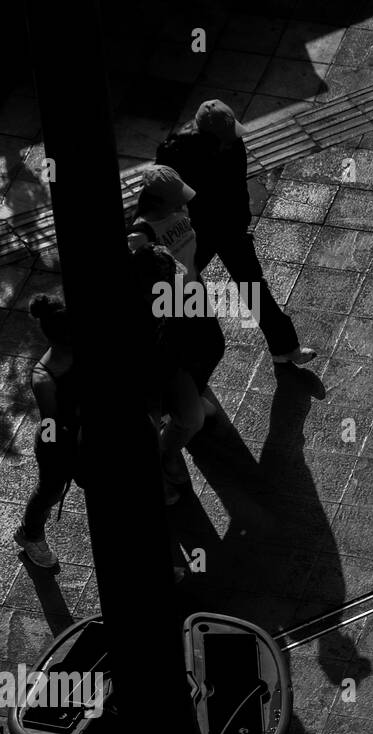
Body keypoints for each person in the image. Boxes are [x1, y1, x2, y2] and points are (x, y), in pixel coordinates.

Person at [156, 99, 315, 366]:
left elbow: (237, 186)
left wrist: (240, 220)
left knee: (252, 284)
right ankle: (168, 353)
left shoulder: (230, 143)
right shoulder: (176, 153)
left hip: (228, 226)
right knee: (179, 288)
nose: (233, 140)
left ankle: (285, 348)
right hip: (195, 231)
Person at [129, 177, 227, 505]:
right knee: (175, 407)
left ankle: (186, 406)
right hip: (162, 334)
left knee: (213, 345)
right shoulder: (140, 236)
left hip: (186, 307)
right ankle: (161, 460)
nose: (182, 203)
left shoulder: (179, 212)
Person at [13, 296, 79, 569]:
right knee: (49, 491)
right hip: (58, 439)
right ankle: (30, 535)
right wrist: (59, 452)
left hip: (80, 432)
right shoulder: (44, 377)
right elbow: (50, 422)